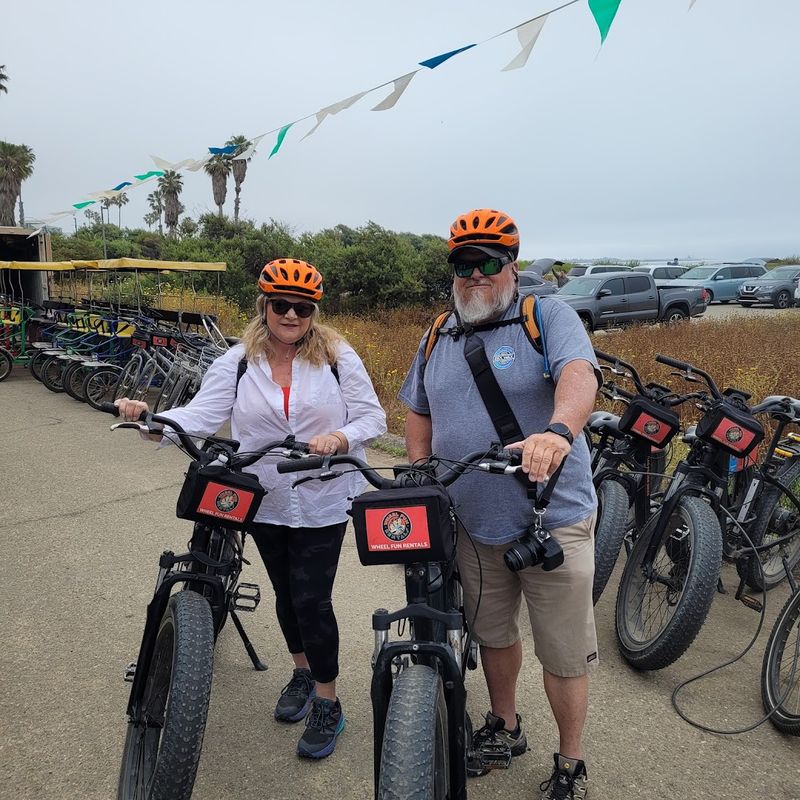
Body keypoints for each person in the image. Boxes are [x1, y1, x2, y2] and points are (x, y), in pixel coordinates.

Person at [116, 258, 387, 760]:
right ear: (264, 306)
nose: (291, 315)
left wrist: (339, 436)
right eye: (280, 305)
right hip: (266, 496)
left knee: (313, 599)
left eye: (302, 308)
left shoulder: (337, 356)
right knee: (286, 592)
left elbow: (372, 416)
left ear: (313, 312)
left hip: (325, 494)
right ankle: (301, 673)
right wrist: (151, 418)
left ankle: (328, 700)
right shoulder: (240, 359)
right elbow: (202, 414)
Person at [398, 210, 601, 800]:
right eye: (465, 264)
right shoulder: (439, 332)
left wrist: (558, 432)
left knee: (562, 653)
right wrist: (418, 469)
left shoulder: (546, 317)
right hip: (473, 523)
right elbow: (419, 409)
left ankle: (571, 761)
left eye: (489, 262)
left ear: (511, 265)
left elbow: (580, 375)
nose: (476, 275)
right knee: (493, 635)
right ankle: (505, 725)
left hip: (550, 520)